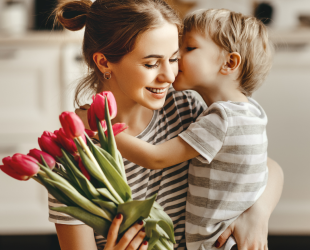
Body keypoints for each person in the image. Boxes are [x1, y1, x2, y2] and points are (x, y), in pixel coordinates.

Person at [51, 1, 283, 250]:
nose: (170, 76)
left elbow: (263, 164)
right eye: (151, 64)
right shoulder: (74, 158)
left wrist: (257, 213)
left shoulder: (184, 109)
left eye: (174, 59)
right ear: (104, 62)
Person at [114, 8, 275, 250]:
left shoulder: (222, 119)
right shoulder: (251, 111)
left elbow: (155, 157)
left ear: (229, 62)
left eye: (189, 48)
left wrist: (101, 128)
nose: (177, 57)